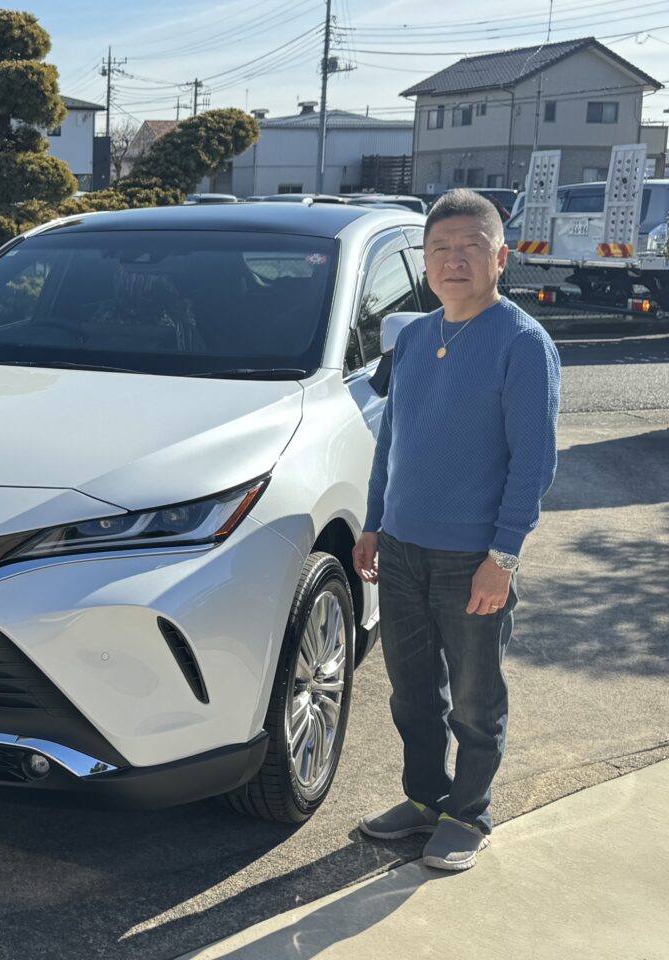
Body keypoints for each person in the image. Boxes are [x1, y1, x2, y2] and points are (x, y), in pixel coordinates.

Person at [352, 189, 561, 870]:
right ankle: (423, 801)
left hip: (474, 556)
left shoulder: (524, 344)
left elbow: (533, 463)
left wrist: (503, 557)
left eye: (470, 246)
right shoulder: (414, 336)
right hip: (403, 553)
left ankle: (468, 815)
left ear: (500, 257)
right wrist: (373, 523)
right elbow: (393, 442)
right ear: (424, 260)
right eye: (440, 248)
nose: (454, 259)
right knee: (413, 694)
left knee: (475, 700)